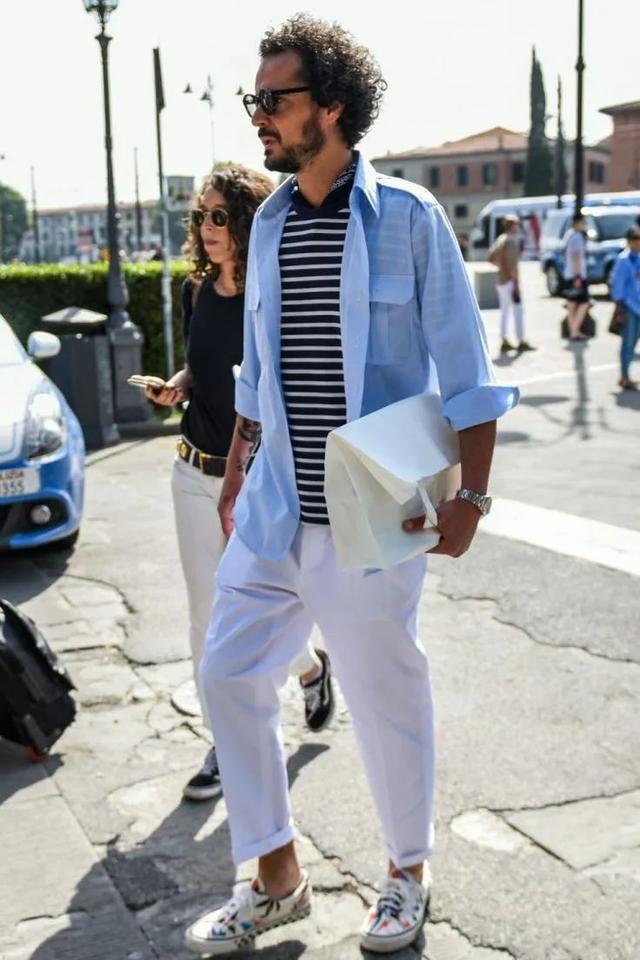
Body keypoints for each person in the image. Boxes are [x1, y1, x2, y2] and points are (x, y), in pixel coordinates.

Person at [185, 15, 518, 957]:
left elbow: (468, 371)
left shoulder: (408, 217)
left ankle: (407, 872)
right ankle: (277, 877)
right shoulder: (270, 223)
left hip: (370, 513)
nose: (257, 114)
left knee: (384, 694)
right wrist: (238, 470)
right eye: (253, 98)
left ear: (330, 106)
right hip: (274, 508)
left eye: (273, 99)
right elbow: (258, 373)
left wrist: (472, 497)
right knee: (226, 673)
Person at [146, 165, 335, 803]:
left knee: (260, 608)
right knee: (206, 615)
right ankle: (229, 742)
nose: (207, 226)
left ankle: (299, 675)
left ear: (249, 221)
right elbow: (203, 366)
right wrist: (179, 386)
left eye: (220, 215)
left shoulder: (271, 293)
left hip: (256, 480)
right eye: (201, 215)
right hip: (191, 473)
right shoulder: (196, 290)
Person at [488, 214, 536, 355]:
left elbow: (490, 257)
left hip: (501, 280)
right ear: (512, 226)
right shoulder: (511, 241)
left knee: (505, 311)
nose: (518, 227)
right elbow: (512, 265)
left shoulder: (501, 239)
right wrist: (515, 283)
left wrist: (501, 267)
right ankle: (521, 340)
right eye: (517, 224)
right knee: (518, 311)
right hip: (510, 281)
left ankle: (504, 339)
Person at [611, 227, 640, 390]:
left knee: (634, 342)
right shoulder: (623, 260)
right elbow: (618, 286)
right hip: (628, 306)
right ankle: (624, 376)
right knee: (628, 342)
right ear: (629, 241)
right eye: (635, 238)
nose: (638, 242)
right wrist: (619, 309)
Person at [563, 212, 590, 341]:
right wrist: (578, 276)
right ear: (578, 222)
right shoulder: (578, 237)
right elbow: (576, 257)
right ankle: (574, 331)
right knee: (584, 303)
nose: (585, 225)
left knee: (572, 304)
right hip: (577, 275)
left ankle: (573, 331)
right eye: (584, 222)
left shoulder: (570, 235)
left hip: (570, 274)